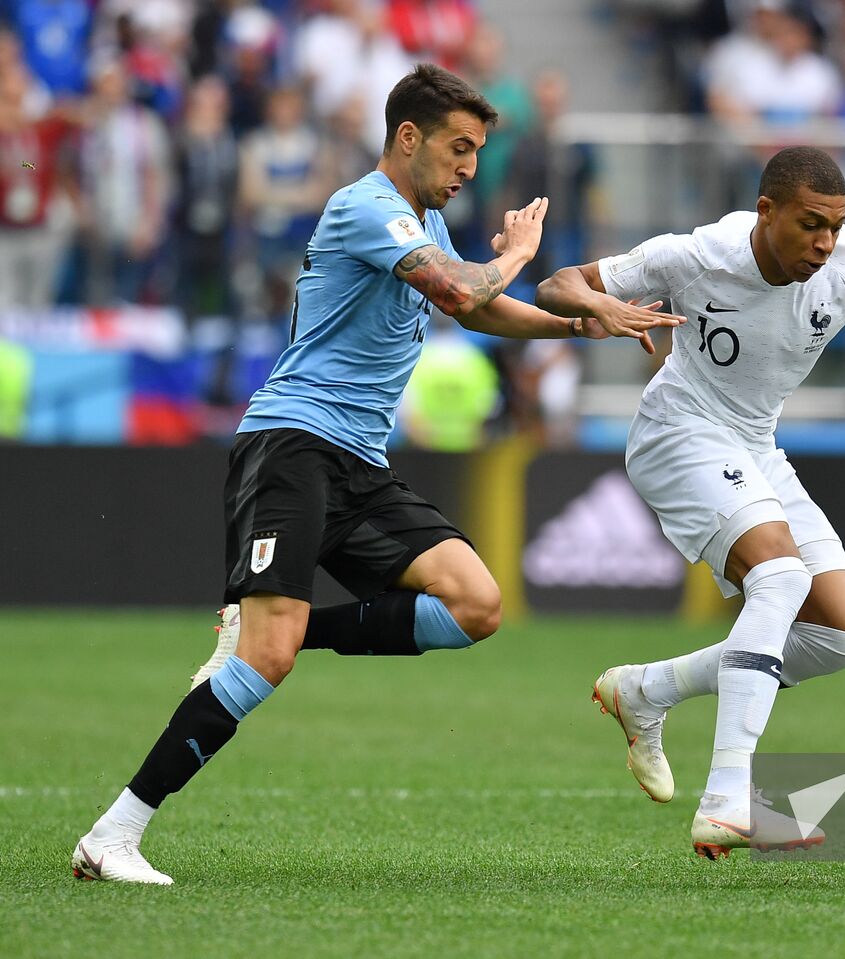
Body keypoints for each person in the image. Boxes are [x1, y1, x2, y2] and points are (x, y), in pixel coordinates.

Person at [71, 63, 679, 885]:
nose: (471, 167)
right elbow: (463, 294)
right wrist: (527, 254)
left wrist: (586, 321)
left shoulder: (421, 219)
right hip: (292, 441)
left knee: (475, 603)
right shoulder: (368, 207)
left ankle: (259, 631)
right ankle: (114, 833)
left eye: (477, 152)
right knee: (268, 660)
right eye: (459, 148)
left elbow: (483, 304)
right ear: (408, 137)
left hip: (359, 459)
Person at [536, 146, 845, 859]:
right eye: (810, 225)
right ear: (766, 211)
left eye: (836, 225)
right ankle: (727, 797)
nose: (826, 243)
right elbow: (557, 283)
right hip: (677, 431)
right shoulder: (698, 255)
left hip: (756, 446)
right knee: (780, 577)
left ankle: (647, 690)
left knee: (844, 634)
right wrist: (596, 302)